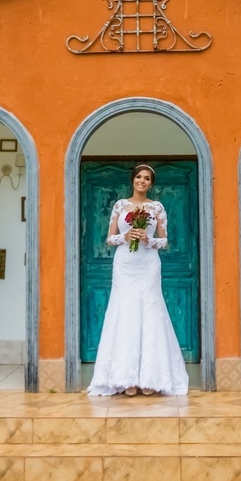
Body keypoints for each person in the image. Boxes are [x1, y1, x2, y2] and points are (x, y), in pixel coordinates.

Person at [87, 163, 190, 397]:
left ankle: (150, 378)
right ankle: (126, 379)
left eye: (146, 179)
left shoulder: (157, 208)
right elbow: (109, 239)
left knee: (150, 313)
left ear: (151, 184)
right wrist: (125, 236)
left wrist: (148, 240)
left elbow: (165, 241)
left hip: (148, 266)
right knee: (125, 313)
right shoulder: (120, 205)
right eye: (138, 177)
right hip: (125, 265)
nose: (142, 181)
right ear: (132, 180)